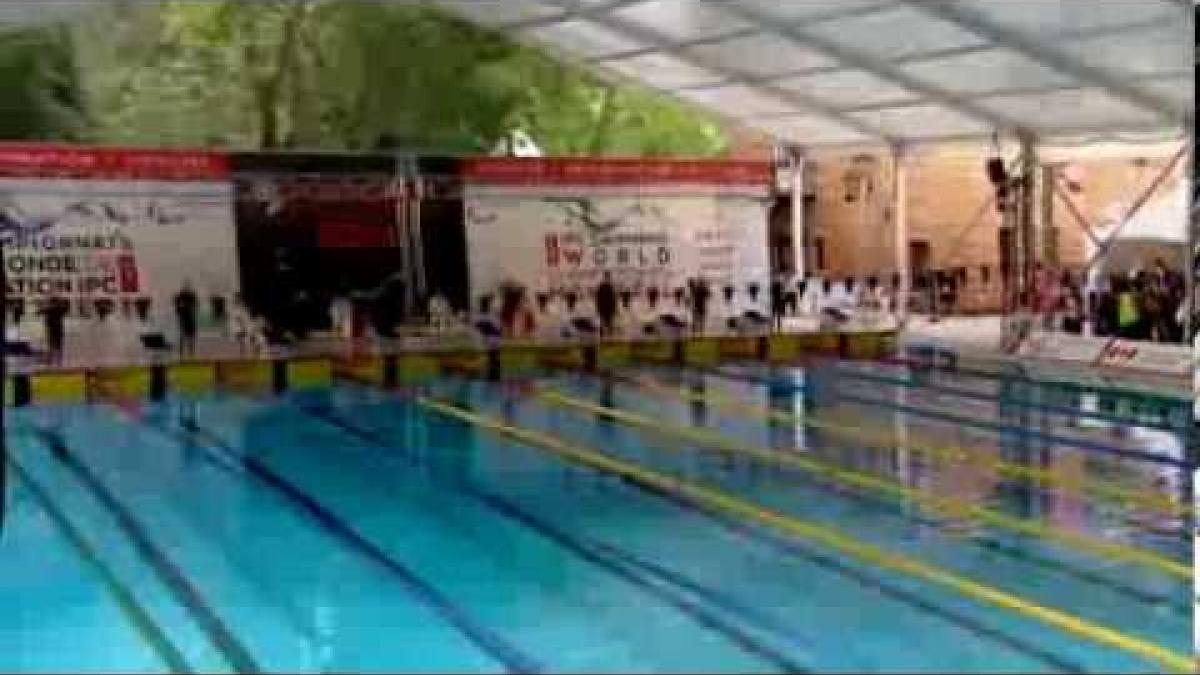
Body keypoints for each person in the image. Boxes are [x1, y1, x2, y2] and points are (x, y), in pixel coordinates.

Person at [40, 293, 69, 365]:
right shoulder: (60, 308)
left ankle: (50, 360)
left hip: (52, 328)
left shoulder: (50, 309)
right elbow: (66, 308)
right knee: (59, 345)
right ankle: (59, 361)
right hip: (59, 328)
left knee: (51, 344)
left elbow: (40, 311)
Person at [174, 282, 199, 357]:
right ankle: (182, 353)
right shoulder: (180, 297)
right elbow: (177, 308)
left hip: (189, 319)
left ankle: (190, 353)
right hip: (183, 319)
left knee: (190, 338)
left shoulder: (191, 296)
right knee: (183, 337)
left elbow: (195, 306)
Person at [595, 272, 618, 336]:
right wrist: (598, 307)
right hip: (603, 308)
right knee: (603, 322)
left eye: (608, 277)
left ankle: (609, 335)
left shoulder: (611, 287)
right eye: (606, 277)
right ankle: (603, 334)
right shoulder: (601, 287)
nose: (607, 279)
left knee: (609, 323)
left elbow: (613, 299)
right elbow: (598, 298)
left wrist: (614, 308)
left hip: (608, 308)